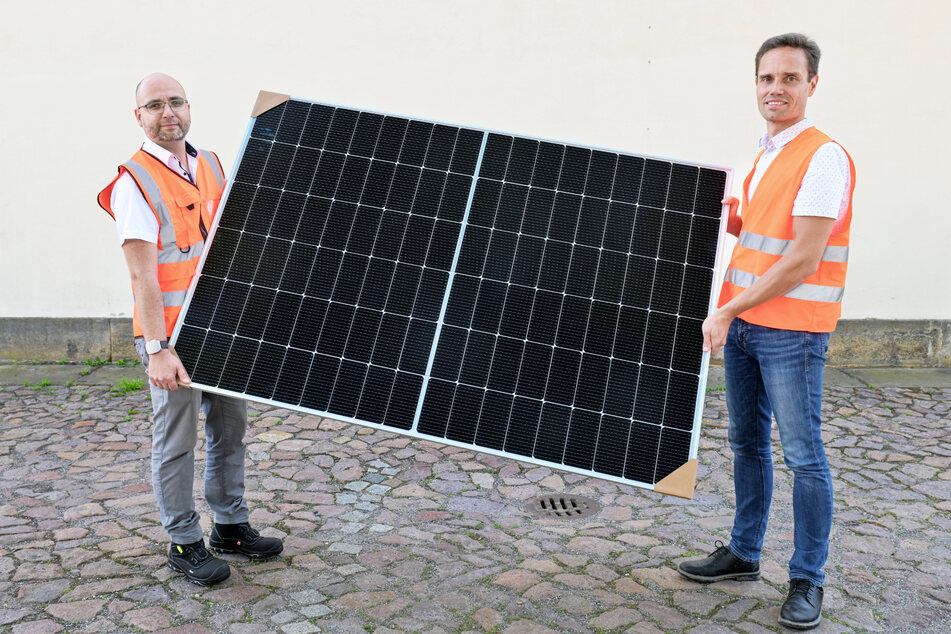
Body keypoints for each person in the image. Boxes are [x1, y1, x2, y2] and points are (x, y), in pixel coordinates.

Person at [677, 34, 854, 630]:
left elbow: (802, 258)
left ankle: (808, 580)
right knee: (747, 446)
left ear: (811, 85)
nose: (775, 88)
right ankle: (744, 553)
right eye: (766, 78)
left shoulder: (822, 155)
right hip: (748, 326)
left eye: (789, 78)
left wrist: (725, 311)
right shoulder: (765, 155)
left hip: (791, 333)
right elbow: (757, 237)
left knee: (805, 458)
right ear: (755, 84)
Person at [98, 73, 283, 586]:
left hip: (220, 327)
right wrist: (158, 349)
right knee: (176, 441)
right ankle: (184, 541)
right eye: (154, 105)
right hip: (171, 337)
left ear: (188, 107)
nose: (168, 113)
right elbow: (142, 276)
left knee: (230, 431)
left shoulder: (211, 164)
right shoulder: (133, 182)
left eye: (175, 101)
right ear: (139, 117)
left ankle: (231, 526)